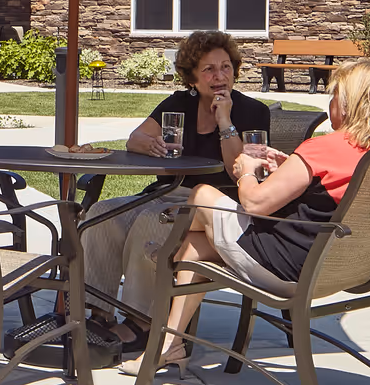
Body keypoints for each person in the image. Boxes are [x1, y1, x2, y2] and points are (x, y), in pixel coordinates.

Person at [123, 58, 370, 377]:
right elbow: (328, 194)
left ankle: (164, 252)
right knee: (195, 246)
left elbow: (255, 203)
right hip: (343, 267)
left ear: (349, 104)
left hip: (287, 267)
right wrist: (290, 168)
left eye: (335, 95)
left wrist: (246, 170)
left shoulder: (325, 148)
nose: (331, 103)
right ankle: (170, 344)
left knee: (202, 195)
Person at [80, 30, 272, 359]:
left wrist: (224, 120)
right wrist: (150, 144)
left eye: (226, 67)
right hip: (167, 192)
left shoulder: (251, 111)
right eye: (209, 69)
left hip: (215, 204)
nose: (219, 76)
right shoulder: (178, 104)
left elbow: (237, 170)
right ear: (192, 77)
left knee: (149, 221)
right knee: (101, 214)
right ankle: (99, 314)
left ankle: (142, 322)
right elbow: (134, 139)